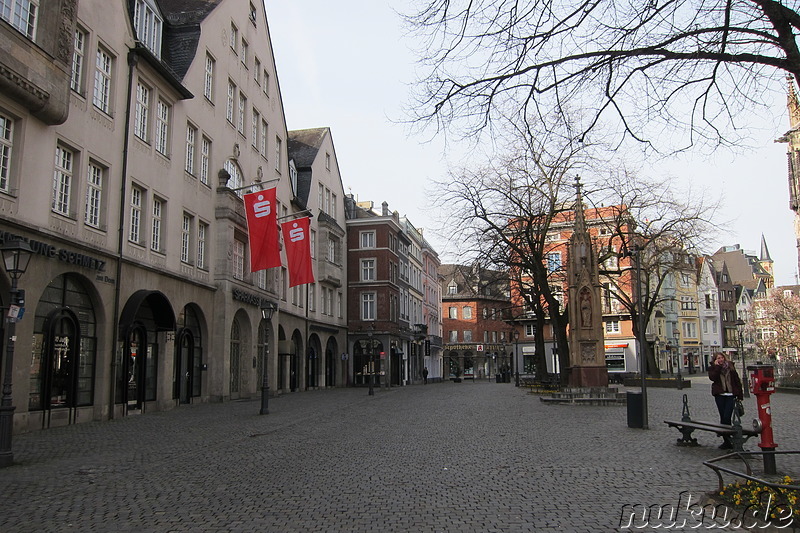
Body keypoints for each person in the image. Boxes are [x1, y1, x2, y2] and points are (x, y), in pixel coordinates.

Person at [708, 352, 744, 449]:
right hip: (720, 395)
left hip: (730, 395)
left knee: (727, 416)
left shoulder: (730, 367)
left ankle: (728, 439)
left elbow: (736, 380)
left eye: (722, 357)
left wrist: (740, 394)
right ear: (715, 359)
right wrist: (717, 367)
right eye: (718, 358)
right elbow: (713, 378)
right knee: (722, 416)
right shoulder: (713, 368)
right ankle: (727, 441)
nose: (720, 359)